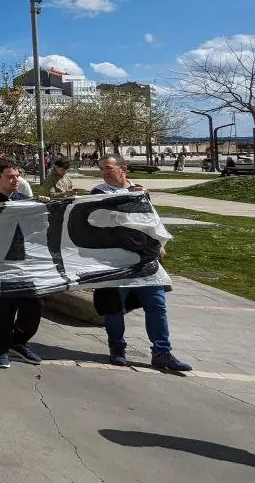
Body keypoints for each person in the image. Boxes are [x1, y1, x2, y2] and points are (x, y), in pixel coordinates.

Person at [90, 155, 192, 372]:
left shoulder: (140, 191)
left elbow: (150, 219)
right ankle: (117, 347)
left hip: (146, 258)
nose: (105, 173)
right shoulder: (99, 194)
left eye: (108, 168)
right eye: (101, 169)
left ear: (123, 168)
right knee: (114, 306)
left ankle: (162, 352)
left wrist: (159, 240)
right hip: (115, 259)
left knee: (157, 304)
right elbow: (100, 219)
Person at [0, 160, 50, 368]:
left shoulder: (22, 199)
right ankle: (2, 350)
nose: (15, 180)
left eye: (17, 176)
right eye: (10, 176)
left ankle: (19, 342)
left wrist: (43, 204)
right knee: (3, 310)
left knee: (34, 305)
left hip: (23, 263)